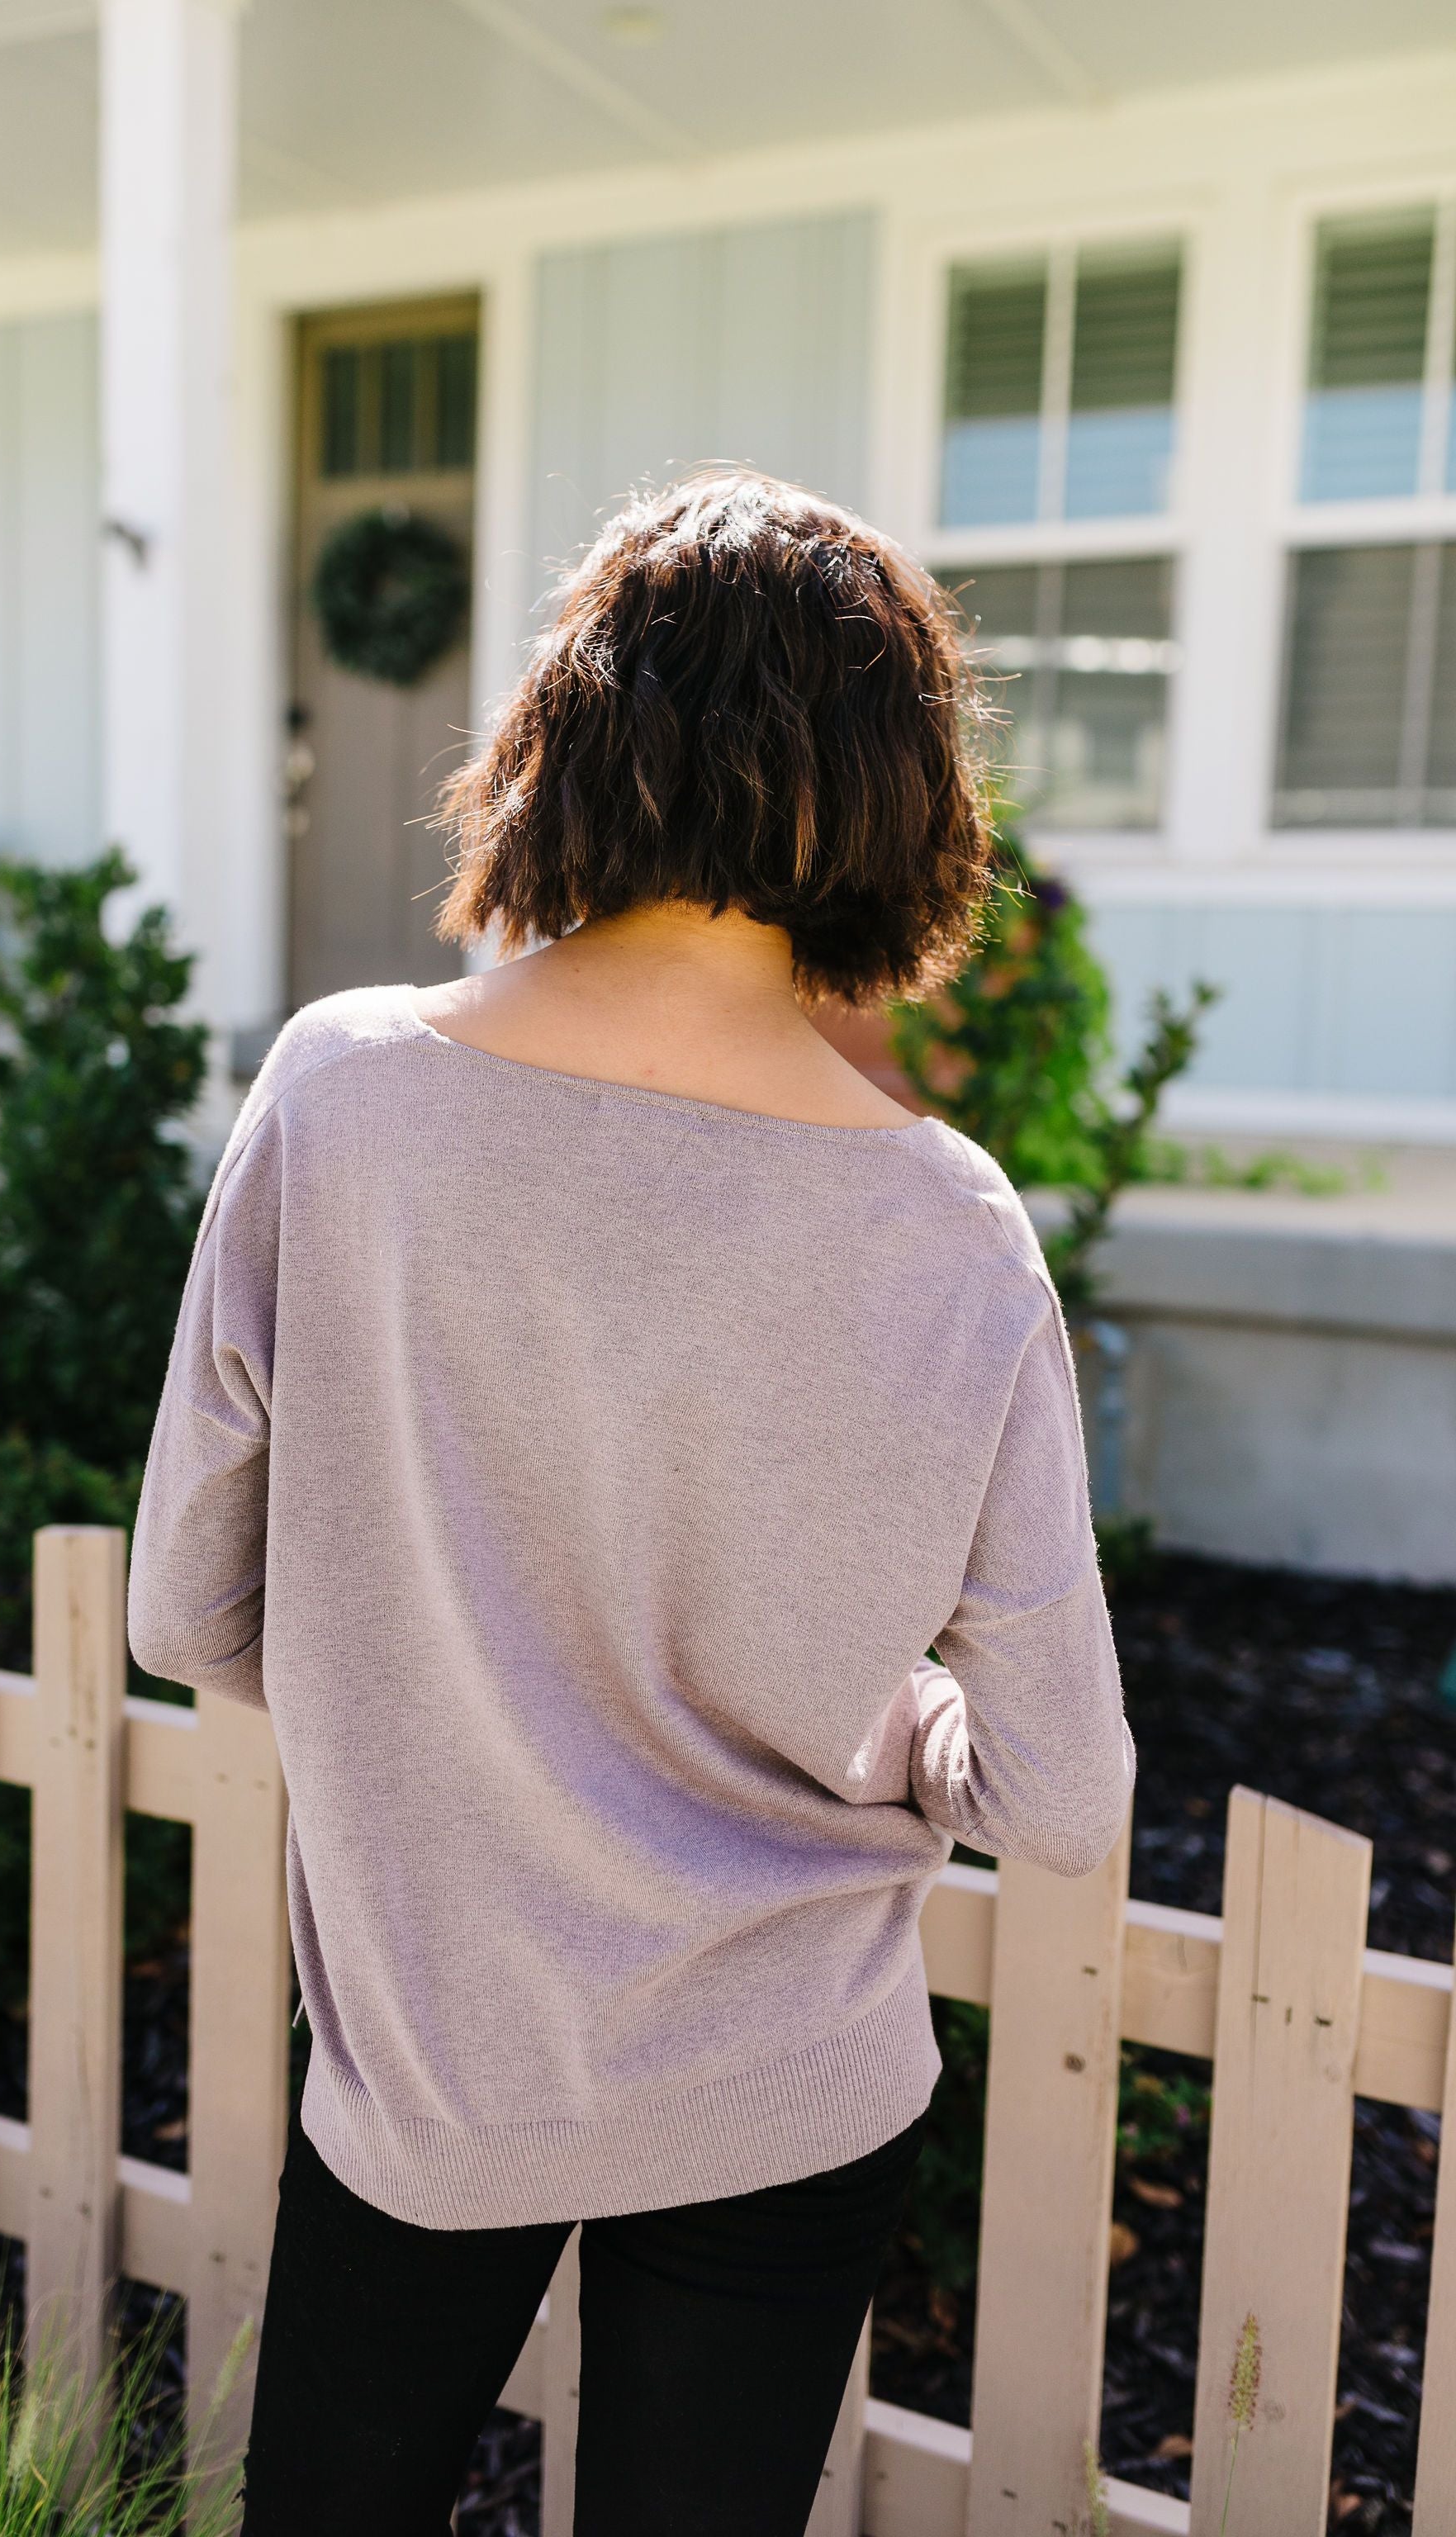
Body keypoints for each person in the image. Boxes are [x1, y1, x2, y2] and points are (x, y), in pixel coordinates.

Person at [129, 469, 1135, 2536]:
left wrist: (436, 1671)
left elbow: (185, 1621)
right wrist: (901, 1723)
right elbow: (1060, 1798)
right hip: (791, 2080)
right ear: (900, 799)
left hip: (434, 2062)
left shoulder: (342, 1098)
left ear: (564, 735)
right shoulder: (954, 1231)